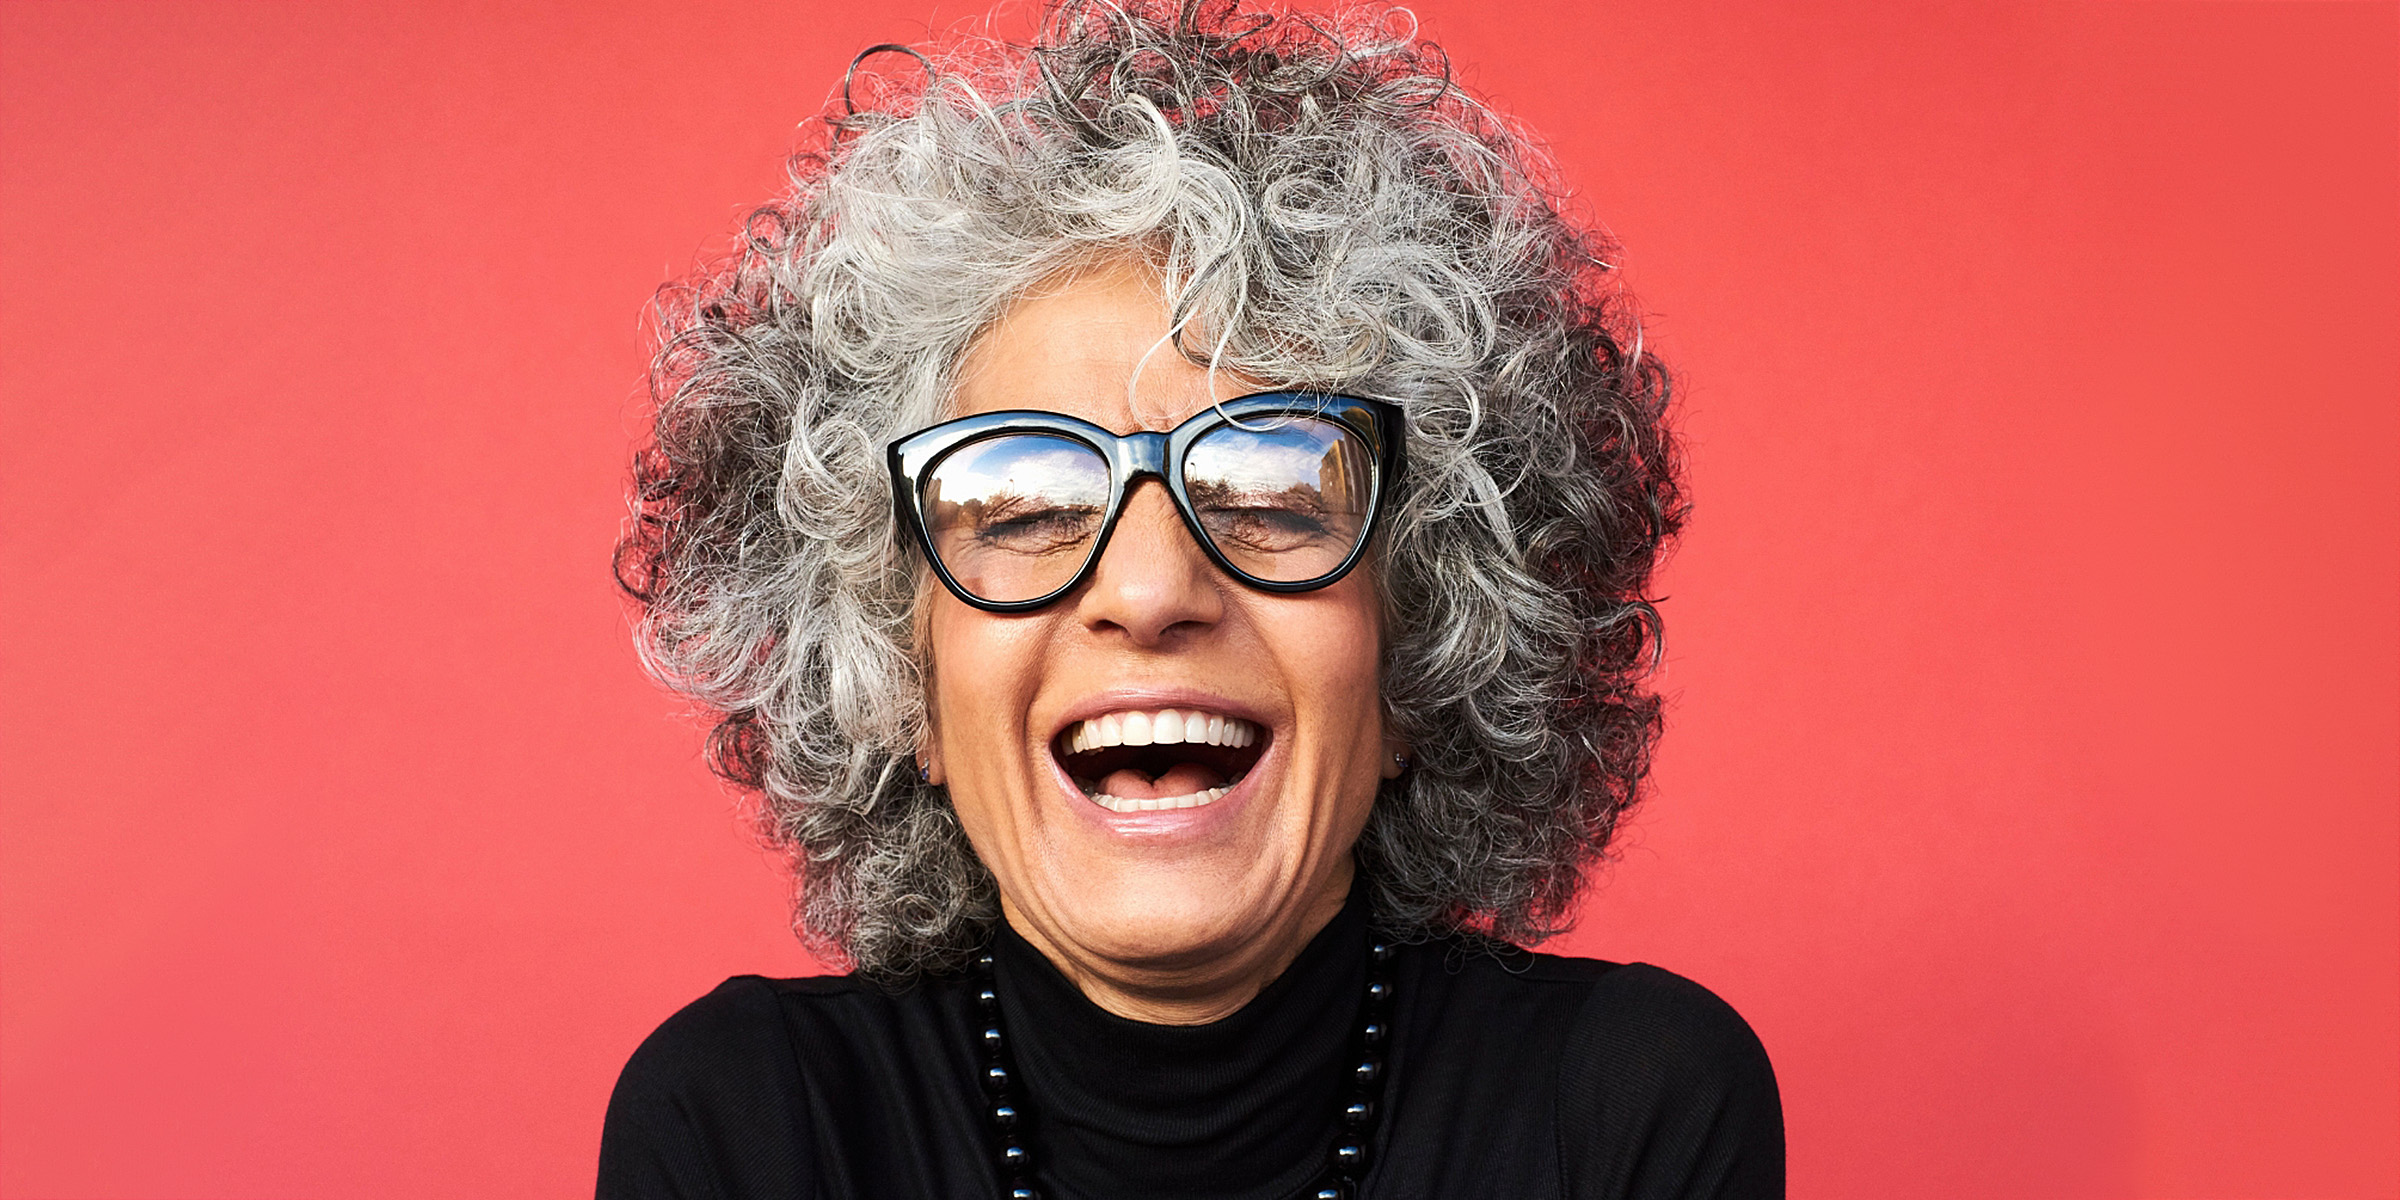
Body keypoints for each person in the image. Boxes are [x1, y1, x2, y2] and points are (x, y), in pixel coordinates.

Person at [599, 1, 1782, 1196]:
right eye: (1025, 506)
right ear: (905, 684)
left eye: (1272, 491)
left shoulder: (1628, 1109)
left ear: (1420, 658)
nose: (1152, 589)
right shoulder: (745, 1129)